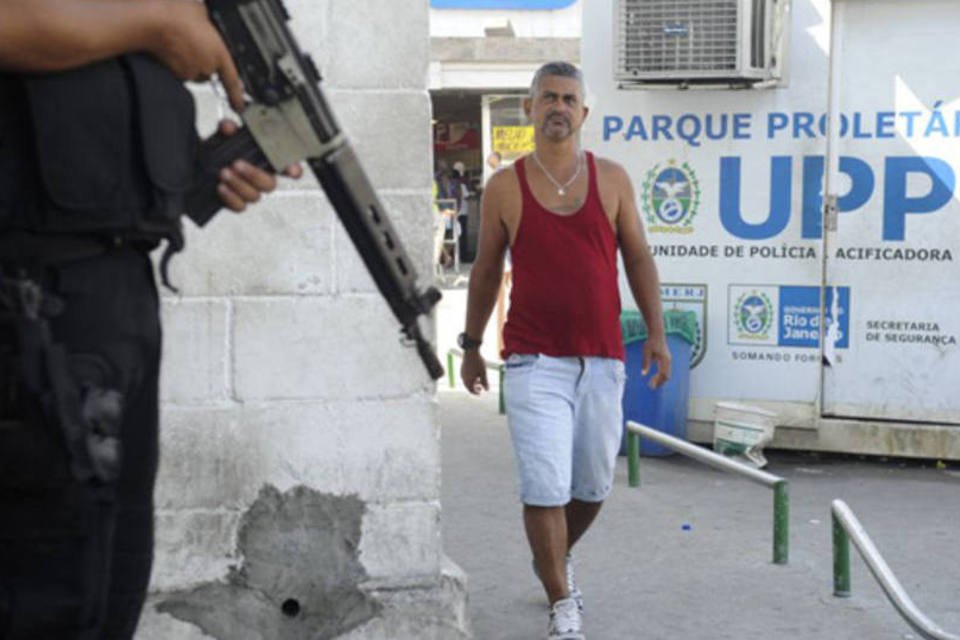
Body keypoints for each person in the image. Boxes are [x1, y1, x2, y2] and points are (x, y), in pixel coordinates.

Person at [0, 2, 301, 638]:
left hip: (118, 295)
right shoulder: (149, 16)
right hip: (25, 297)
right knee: (41, 592)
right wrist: (156, 26)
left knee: (109, 586)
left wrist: (196, 170)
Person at [459, 61, 671, 640]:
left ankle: (550, 557)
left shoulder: (613, 180)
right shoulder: (505, 186)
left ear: (584, 112)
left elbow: (639, 259)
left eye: (568, 98)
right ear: (528, 109)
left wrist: (654, 332)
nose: (558, 106)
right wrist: (471, 345)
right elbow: (482, 272)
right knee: (543, 485)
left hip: (603, 358)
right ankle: (561, 600)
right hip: (533, 361)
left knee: (593, 486)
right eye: (547, 97)